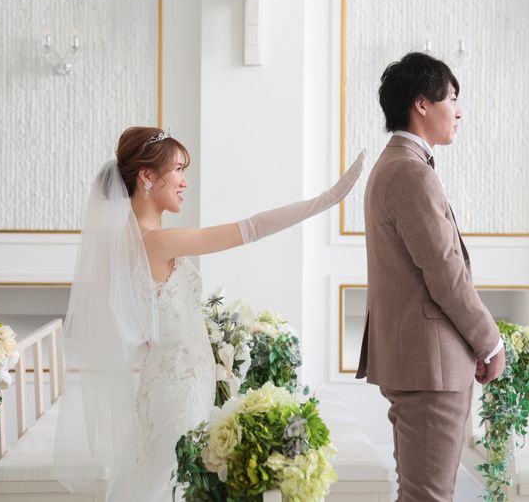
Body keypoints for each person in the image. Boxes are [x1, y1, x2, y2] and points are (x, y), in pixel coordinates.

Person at [54, 126, 366, 502]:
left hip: (174, 382)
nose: (185, 181)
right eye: (178, 169)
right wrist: (326, 199)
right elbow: (250, 229)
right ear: (147, 176)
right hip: (178, 389)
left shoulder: (134, 238)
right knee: (166, 480)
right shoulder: (157, 240)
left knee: (168, 477)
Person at [356, 52, 506, 502]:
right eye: (452, 98)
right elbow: (445, 273)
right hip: (431, 370)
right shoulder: (409, 172)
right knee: (429, 497)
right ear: (421, 104)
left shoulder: (397, 165)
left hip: (424, 364)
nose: (459, 111)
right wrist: (490, 342)